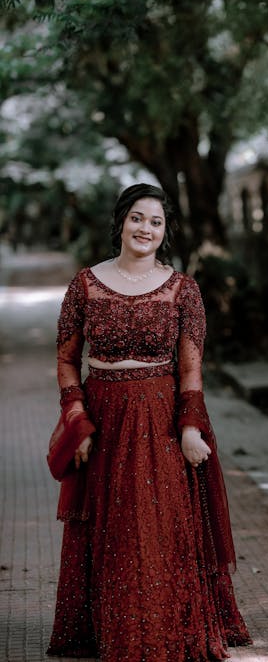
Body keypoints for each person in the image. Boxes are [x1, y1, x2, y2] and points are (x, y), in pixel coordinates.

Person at [47, 183, 252, 662]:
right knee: (112, 527)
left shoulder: (184, 290)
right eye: (138, 218)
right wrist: (78, 421)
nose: (145, 229)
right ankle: (113, 629)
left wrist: (190, 427)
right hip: (104, 421)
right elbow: (65, 361)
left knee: (159, 525)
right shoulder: (85, 284)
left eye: (156, 222)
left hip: (161, 419)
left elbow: (190, 370)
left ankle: (163, 628)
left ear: (165, 232)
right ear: (121, 221)